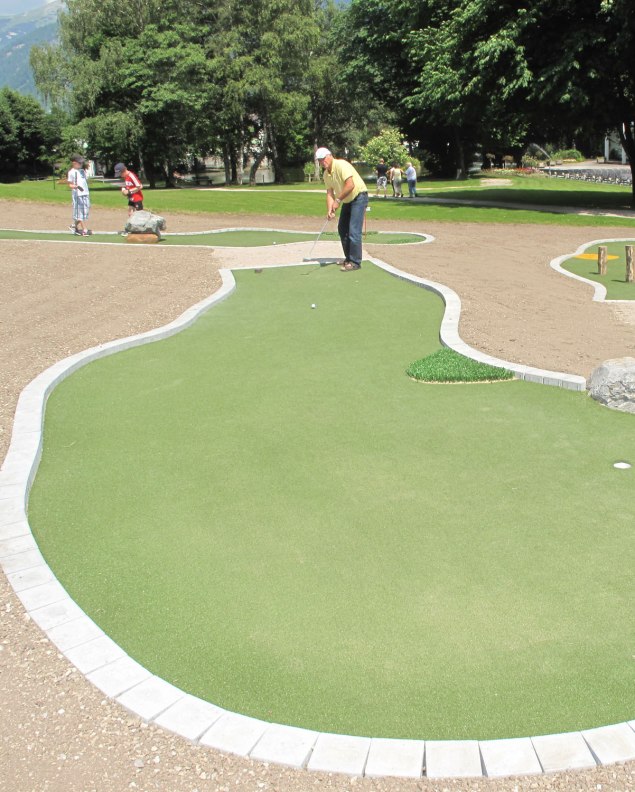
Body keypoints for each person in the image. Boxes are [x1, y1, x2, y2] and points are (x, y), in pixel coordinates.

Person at [314, 146, 368, 272]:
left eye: (323, 159)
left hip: (359, 196)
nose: (322, 162)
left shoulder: (341, 165)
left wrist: (338, 201)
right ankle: (348, 258)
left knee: (354, 230)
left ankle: (355, 262)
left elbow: (350, 185)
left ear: (330, 156)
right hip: (348, 200)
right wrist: (330, 210)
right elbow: (329, 193)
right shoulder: (326, 174)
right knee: (342, 228)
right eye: (320, 160)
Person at [67, 154, 90, 235]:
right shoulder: (71, 172)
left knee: (85, 211)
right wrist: (75, 186)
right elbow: (69, 184)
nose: (81, 164)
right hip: (78, 194)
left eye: (81, 163)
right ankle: (84, 229)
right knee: (80, 212)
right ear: (74, 163)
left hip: (85, 193)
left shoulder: (82, 171)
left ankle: (74, 226)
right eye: (79, 163)